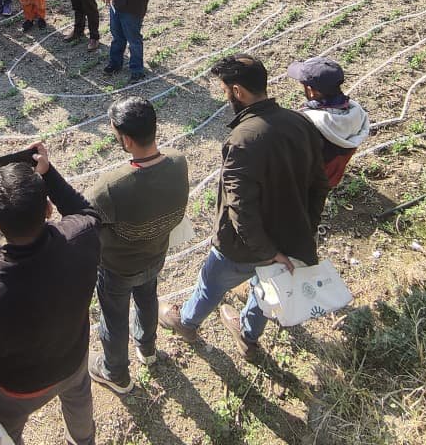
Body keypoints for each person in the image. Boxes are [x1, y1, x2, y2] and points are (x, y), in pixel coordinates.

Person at [159, 54, 329, 362]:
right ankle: (249, 337)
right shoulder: (300, 122)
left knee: (211, 284)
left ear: (237, 91)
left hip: (243, 247)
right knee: (266, 288)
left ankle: (186, 323)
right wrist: (304, 230)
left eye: (225, 90)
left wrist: (265, 251)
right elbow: (320, 184)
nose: (225, 96)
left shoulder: (243, 139)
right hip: (288, 238)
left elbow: (241, 209)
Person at [0, 144, 99, 445]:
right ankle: (84, 440)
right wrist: (49, 174)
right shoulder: (83, 237)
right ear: (49, 209)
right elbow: (87, 213)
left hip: (18, 390)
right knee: (78, 400)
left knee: (7, 432)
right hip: (72, 359)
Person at [84, 97, 188, 393]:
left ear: (126, 139)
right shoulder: (178, 161)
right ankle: (147, 348)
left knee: (114, 319)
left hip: (118, 268)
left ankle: (115, 372)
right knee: (147, 299)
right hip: (155, 257)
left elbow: (84, 219)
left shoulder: (112, 186)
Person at [286, 58, 370, 188]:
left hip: (311, 182)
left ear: (311, 91)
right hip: (333, 174)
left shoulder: (307, 124)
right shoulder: (357, 112)